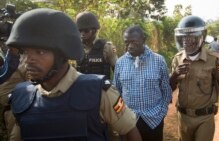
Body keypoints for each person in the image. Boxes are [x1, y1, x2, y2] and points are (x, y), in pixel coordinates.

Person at [5, 8, 142, 141]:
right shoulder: (21, 97)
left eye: (40, 52)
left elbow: (117, 70)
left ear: (61, 55)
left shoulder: (102, 93)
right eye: (24, 52)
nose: (28, 60)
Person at [169, 15, 219, 141]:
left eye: (191, 37)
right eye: (184, 37)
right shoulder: (177, 59)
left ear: (201, 37)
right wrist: (175, 74)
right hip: (183, 117)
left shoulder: (213, 59)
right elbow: (170, 88)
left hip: (205, 118)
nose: (187, 41)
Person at [113, 25, 172, 141]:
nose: (129, 46)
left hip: (154, 120)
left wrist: (161, 113)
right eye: (127, 42)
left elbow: (166, 90)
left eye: (134, 42)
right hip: (128, 122)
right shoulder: (120, 63)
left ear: (143, 40)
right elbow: (116, 93)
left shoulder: (159, 61)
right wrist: (120, 116)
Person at [75, 11, 117, 79]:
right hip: (81, 88)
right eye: (80, 31)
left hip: (101, 88)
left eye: (86, 31)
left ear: (94, 30)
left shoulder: (106, 47)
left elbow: (117, 71)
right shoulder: (77, 47)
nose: (82, 34)